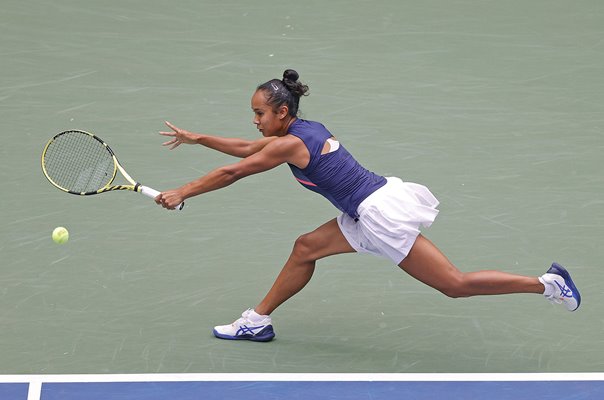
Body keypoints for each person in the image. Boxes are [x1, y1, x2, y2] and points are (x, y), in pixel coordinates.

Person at [155, 69, 581, 342]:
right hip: (367, 207)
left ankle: (547, 284)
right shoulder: (301, 128)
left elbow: (236, 170)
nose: (255, 121)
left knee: (454, 284)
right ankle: (257, 320)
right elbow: (249, 146)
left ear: (282, 112)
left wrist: (181, 192)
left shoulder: (289, 143)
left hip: (379, 214)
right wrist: (199, 138)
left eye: (259, 113)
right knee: (306, 247)